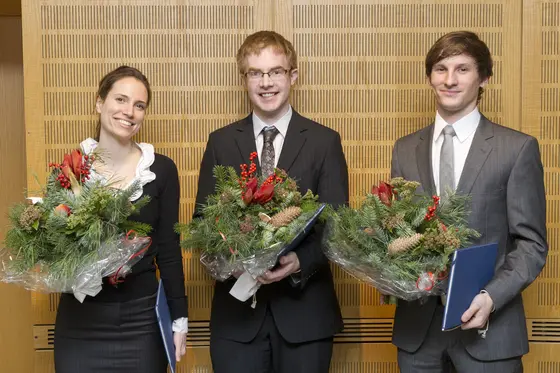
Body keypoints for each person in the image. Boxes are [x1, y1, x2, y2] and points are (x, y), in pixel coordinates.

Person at [390, 31, 548, 372]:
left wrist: (491, 298)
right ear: (430, 77)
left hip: (490, 333)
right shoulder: (404, 149)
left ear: (484, 77)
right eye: (441, 69)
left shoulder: (517, 149)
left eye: (462, 69)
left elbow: (532, 245)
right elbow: (397, 232)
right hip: (418, 335)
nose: (449, 80)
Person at [194, 31, 348, 373]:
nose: (266, 83)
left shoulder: (325, 142)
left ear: (293, 75)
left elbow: (338, 225)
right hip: (237, 320)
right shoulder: (220, 142)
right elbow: (201, 222)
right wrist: (231, 261)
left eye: (276, 71)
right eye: (255, 73)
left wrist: (298, 261)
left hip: (305, 316)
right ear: (244, 79)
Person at [54, 66, 188, 372]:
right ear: (100, 103)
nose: (129, 111)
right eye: (121, 100)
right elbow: (54, 249)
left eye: (139, 105)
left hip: (141, 320)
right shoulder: (70, 170)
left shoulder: (161, 170)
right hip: (80, 321)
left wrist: (179, 319)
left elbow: (168, 249)